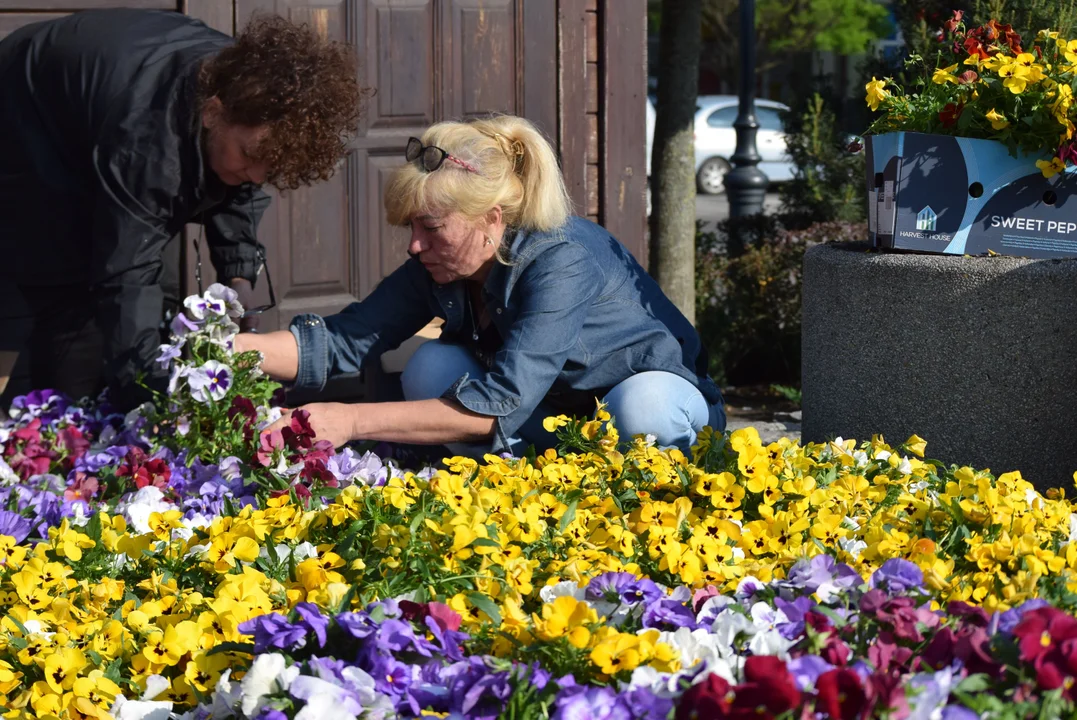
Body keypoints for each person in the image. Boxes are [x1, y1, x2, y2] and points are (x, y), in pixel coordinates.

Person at [240, 115, 726, 457]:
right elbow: (344, 341)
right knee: (433, 364)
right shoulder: (440, 264)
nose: (414, 245)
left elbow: (501, 403)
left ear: (491, 219)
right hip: (560, 418)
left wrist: (347, 420)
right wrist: (225, 351)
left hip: (649, 408)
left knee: (644, 410)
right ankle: (511, 486)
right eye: (410, 228)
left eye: (430, 227)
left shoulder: (561, 258)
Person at [0, 9, 364, 408]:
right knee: (72, 290)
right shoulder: (148, 143)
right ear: (212, 111)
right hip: (26, 111)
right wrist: (149, 393)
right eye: (251, 154)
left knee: (160, 286)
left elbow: (239, 188)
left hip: (110, 90)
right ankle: (63, 421)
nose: (259, 175)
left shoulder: (257, 90)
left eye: (272, 165)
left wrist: (238, 275)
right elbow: (127, 272)